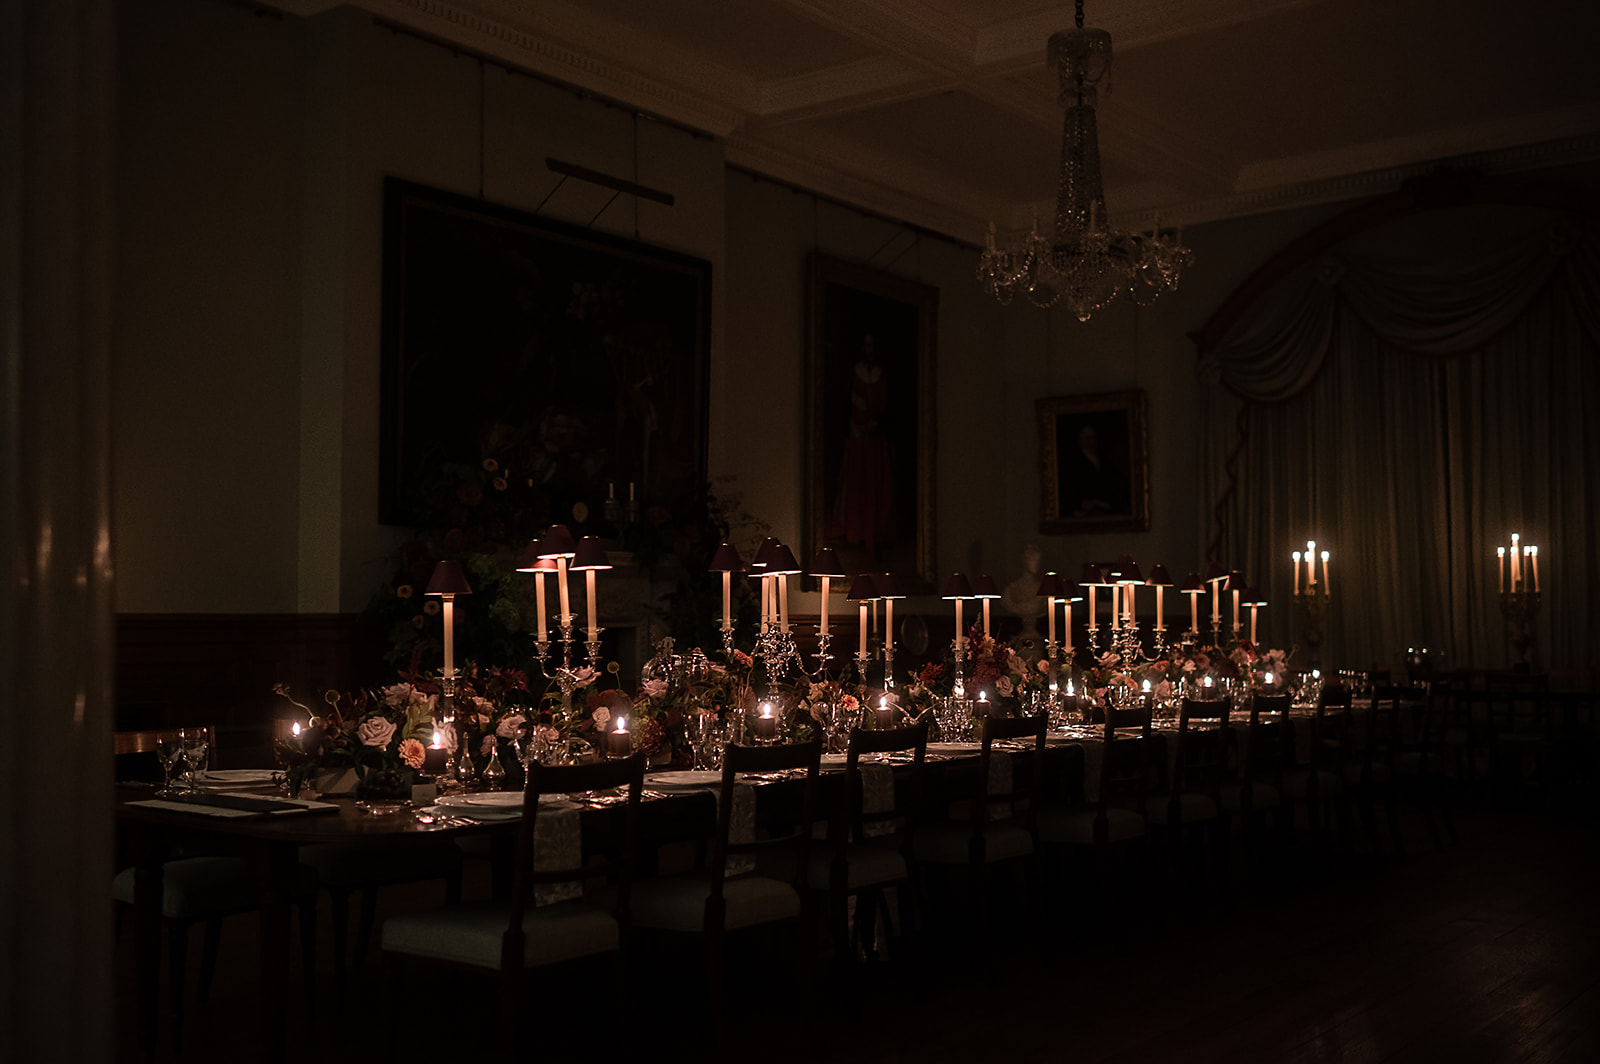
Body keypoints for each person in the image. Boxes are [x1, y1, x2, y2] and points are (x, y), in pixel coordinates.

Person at [830, 332, 894, 554]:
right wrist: (859, 425)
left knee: (876, 482)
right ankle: (857, 533)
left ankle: (875, 534)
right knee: (857, 483)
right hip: (858, 436)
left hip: (874, 436)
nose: (869, 349)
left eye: (872, 345)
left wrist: (874, 421)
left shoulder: (880, 375)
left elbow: (883, 401)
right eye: (866, 345)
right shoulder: (856, 372)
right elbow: (853, 399)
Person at [1060, 421, 1128, 517]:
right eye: (1088, 439)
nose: (1092, 442)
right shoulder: (1074, 464)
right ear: (1081, 441)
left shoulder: (1105, 463)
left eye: (1094, 438)